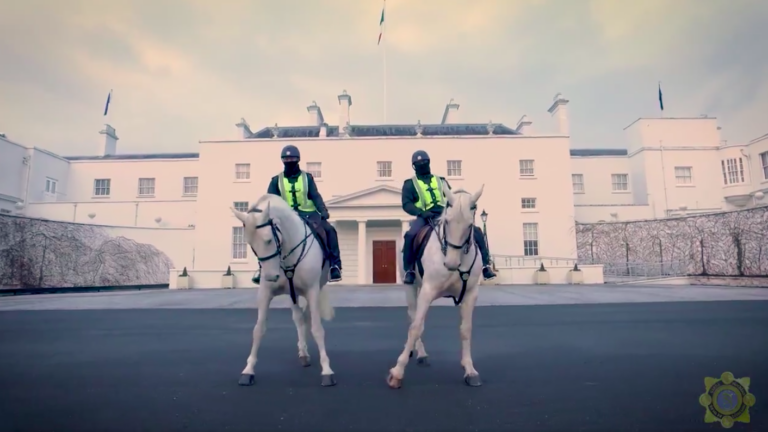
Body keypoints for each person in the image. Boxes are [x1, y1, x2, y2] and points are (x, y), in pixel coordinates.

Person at [400, 150, 496, 285]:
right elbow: (406, 204)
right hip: (425, 216)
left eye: (425, 162)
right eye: (419, 164)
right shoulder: (410, 184)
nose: (422, 165)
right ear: (414, 166)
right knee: (410, 235)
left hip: (444, 214)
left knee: (476, 231)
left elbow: (452, 198)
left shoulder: (441, 181)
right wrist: (421, 212)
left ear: (429, 163)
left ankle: (486, 266)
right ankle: (409, 270)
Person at [251, 145, 343, 284]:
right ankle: (261, 268)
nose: (289, 161)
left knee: (330, 231)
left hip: (309, 214)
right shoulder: (276, 180)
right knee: (267, 235)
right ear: (282, 161)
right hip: (286, 217)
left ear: (298, 160)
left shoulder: (307, 178)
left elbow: (315, 196)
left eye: (292, 158)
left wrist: (323, 211)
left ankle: (334, 266)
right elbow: (270, 200)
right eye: (286, 159)